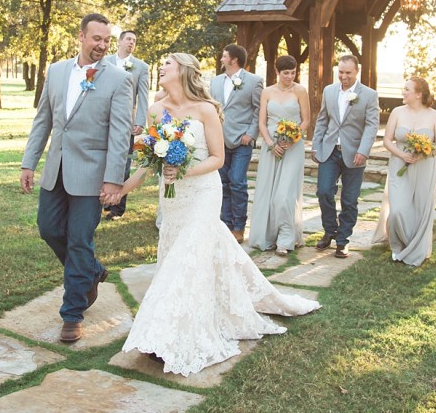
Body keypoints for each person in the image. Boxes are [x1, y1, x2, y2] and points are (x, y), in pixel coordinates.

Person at [119, 53, 320, 376]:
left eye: (167, 65)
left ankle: (167, 334)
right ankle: (169, 327)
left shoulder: (206, 110)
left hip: (202, 192)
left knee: (186, 259)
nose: (161, 69)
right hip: (172, 197)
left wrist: (183, 173)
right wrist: (121, 189)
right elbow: (147, 161)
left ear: (183, 71)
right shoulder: (156, 110)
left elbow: (217, 158)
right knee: (176, 258)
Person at [19, 13, 134, 344]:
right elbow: (44, 120)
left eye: (107, 40)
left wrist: (114, 179)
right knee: (50, 229)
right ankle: (92, 271)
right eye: (96, 38)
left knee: (79, 238)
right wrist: (29, 162)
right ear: (80, 37)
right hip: (55, 170)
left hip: (93, 174)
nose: (101, 45)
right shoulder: (55, 72)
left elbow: (120, 132)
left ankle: (72, 313)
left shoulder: (117, 79)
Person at [372, 76, 436, 266]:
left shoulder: (433, 116)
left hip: (424, 166)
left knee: (420, 208)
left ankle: (416, 246)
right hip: (399, 165)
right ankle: (397, 245)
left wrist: (424, 153)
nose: (403, 92)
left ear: (419, 94)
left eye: (407, 89)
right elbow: (387, 140)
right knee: (397, 210)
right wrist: (402, 155)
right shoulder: (397, 112)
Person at [312, 54, 380, 258]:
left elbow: (371, 125)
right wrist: (316, 145)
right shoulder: (329, 91)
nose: (343, 76)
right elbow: (322, 120)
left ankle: (343, 240)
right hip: (330, 151)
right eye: (340, 72)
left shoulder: (369, 95)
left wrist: (363, 151)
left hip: (355, 154)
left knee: (349, 200)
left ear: (356, 72)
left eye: (348, 73)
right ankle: (330, 230)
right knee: (324, 192)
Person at [247, 55, 311, 256]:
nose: (290, 77)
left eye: (293, 72)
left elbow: (306, 120)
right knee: (268, 193)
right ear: (277, 72)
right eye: (286, 73)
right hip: (271, 147)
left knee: (284, 195)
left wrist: (292, 138)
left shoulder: (300, 91)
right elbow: (262, 123)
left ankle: (285, 239)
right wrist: (270, 144)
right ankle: (268, 236)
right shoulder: (267, 92)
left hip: (293, 147)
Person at [210, 44, 264, 243]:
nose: (222, 59)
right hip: (219, 139)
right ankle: (226, 223)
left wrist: (251, 134)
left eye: (224, 56)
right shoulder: (215, 82)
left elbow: (259, 109)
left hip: (242, 140)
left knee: (238, 182)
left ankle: (239, 226)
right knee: (222, 182)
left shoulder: (254, 81)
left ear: (234, 60)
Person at [103, 30, 150, 221]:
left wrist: (139, 121)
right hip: (103, 119)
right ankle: (100, 199)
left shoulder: (141, 67)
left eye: (134, 41)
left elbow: (143, 96)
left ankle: (116, 207)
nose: (132, 43)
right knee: (101, 160)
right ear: (120, 41)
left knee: (123, 163)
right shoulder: (104, 61)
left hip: (126, 122)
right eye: (128, 39)